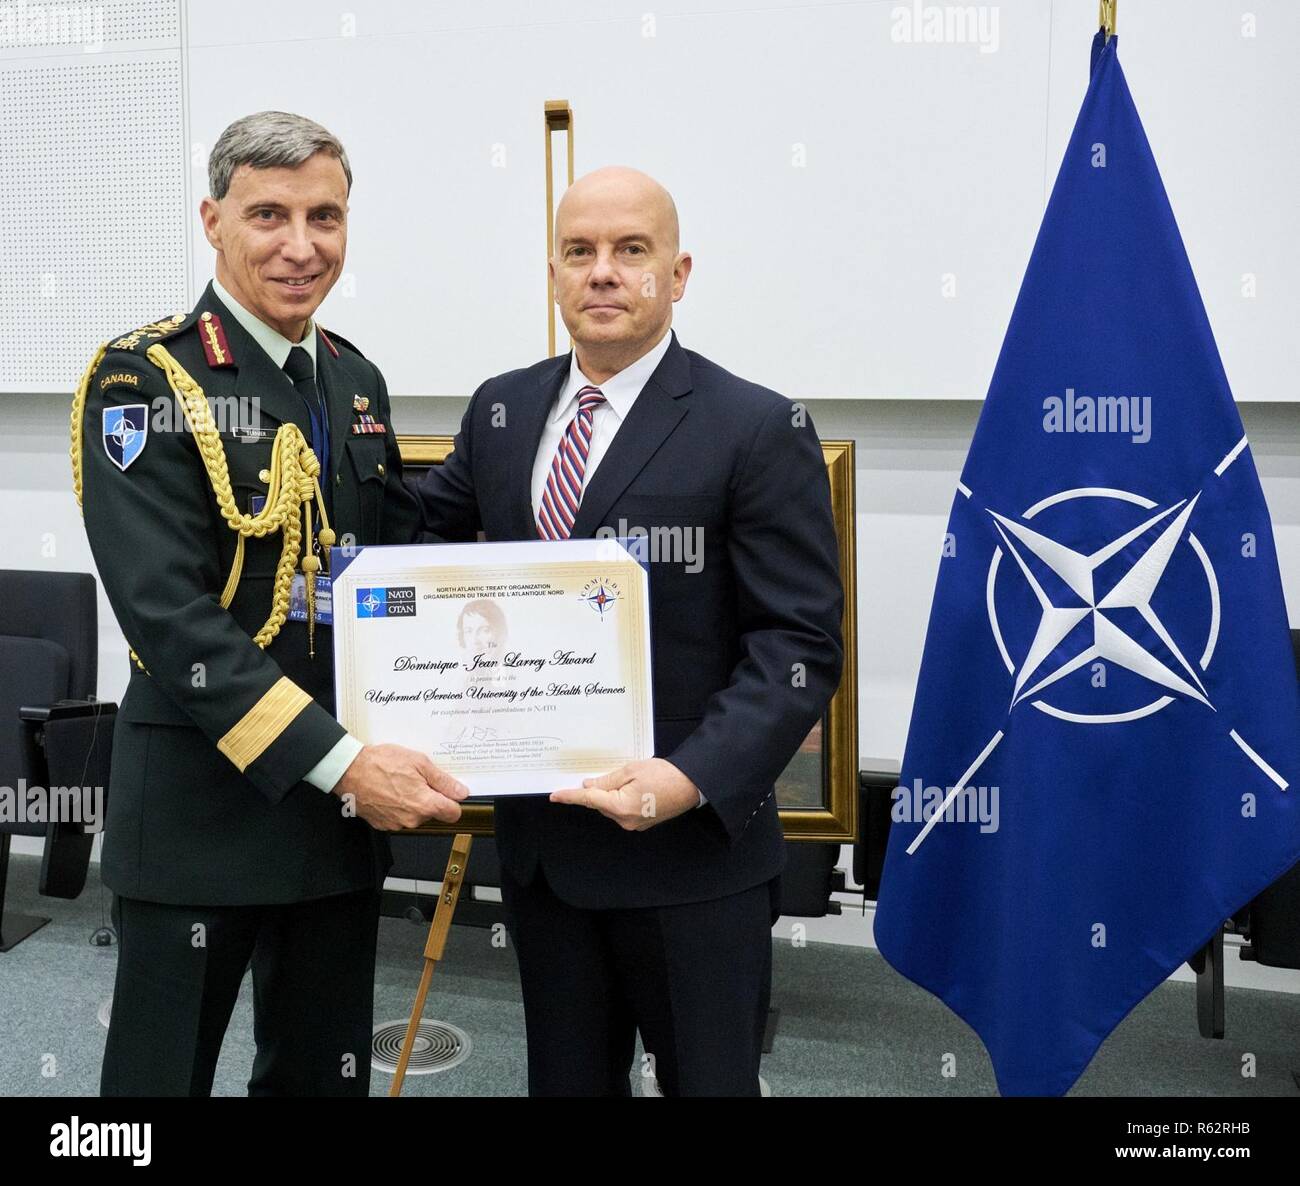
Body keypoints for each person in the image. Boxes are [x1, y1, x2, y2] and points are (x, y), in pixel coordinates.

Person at [413, 166, 844, 1095]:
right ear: (556, 274)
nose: (602, 271)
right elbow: (418, 551)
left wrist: (690, 780)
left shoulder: (756, 426)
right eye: (580, 251)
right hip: (545, 859)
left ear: (678, 274)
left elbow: (799, 646)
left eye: (630, 250)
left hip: (692, 861)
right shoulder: (502, 409)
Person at [75, 110, 468, 1097]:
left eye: (325, 216)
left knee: (319, 1078)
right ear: (213, 220)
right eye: (269, 215)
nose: (302, 245)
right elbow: (168, 614)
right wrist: (345, 765)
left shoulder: (354, 379)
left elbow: (389, 564)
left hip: (332, 822)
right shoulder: (143, 377)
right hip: (205, 812)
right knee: (159, 1087)